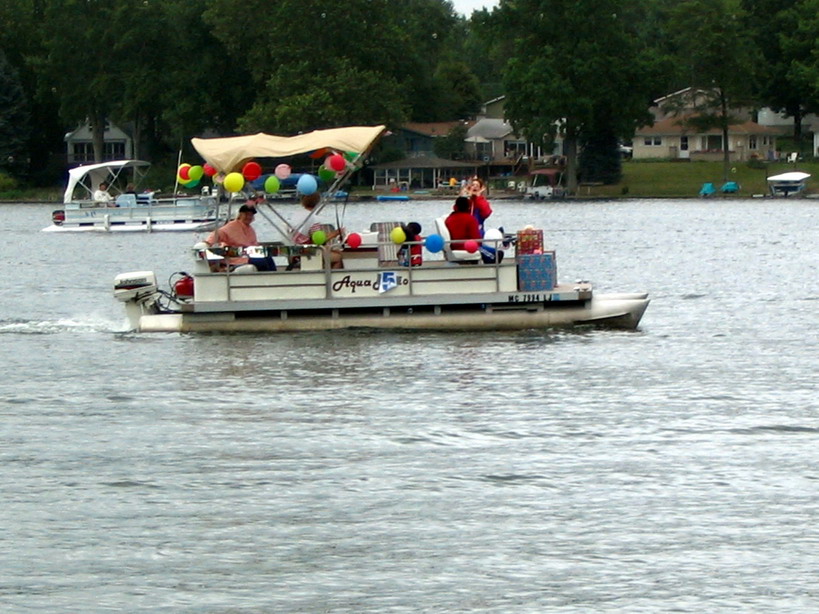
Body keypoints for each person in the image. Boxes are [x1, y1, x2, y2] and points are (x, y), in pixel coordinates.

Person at [205, 203, 276, 271]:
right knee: (261, 262)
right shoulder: (232, 226)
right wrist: (207, 243)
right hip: (235, 258)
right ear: (240, 215)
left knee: (268, 257)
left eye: (251, 215)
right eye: (246, 214)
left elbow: (254, 245)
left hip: (249, 255)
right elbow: (219, 233)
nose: (249, 217)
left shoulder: (250, 229)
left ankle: (274, 278)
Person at [291, 192, 344, 269]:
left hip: (296, 248)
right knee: (338, 257)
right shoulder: (313, 219)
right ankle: (332, 279)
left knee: (332, 251)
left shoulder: (296, 215)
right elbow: (318, 241)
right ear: (318, 203)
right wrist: (335, 234)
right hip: (307, 251)